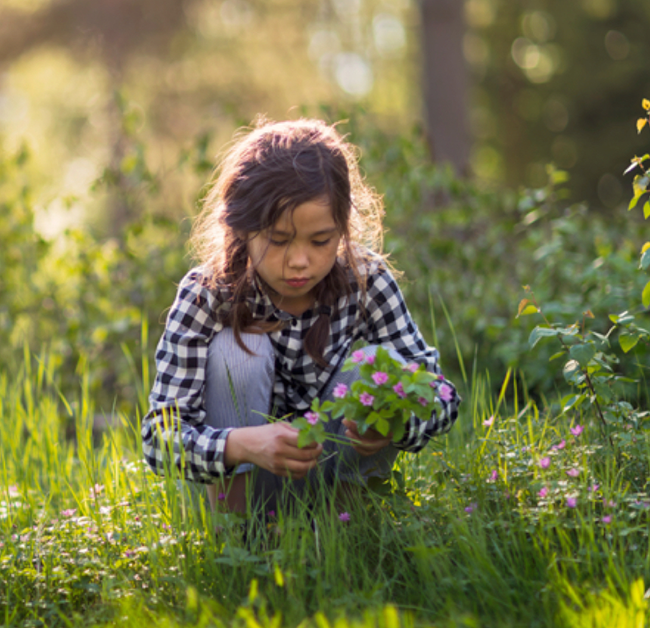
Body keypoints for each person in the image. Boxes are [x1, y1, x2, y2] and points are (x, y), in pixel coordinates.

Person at [141, 117, 461, 515]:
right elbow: (159, 439)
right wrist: (243, 444)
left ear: (342, 228)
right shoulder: (207, 294)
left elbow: (441, 395)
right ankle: (239, 535)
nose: (299, 261)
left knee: (380, 366)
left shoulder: (366, 281)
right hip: (237, 476)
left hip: (331, 480)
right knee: (239, 351)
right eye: (278, 240)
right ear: (243, 230)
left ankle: (346, 530)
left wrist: (397, 424)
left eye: (321, 240)